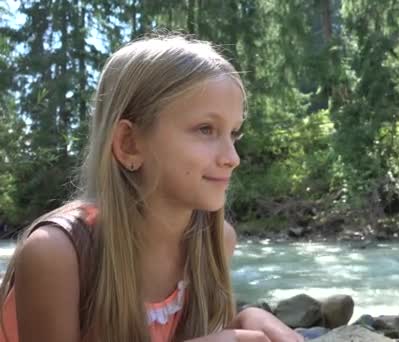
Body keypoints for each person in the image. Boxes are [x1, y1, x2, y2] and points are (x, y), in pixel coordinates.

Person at [0, 34, 304, 342]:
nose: (232, 158)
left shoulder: (216, 240)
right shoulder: (56, 253)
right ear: (129, 144)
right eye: (205, 129)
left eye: (234, 133)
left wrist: (244, 319)